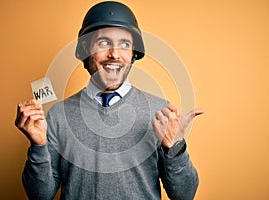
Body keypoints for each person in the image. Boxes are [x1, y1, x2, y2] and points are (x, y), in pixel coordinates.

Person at [15, 1, 203, 200]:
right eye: (104, 43)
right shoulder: (59, 115)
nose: (114, 54)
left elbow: (184, 195)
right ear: (86, 50)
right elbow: (39, 195)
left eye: (124, 44)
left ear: (133, 54)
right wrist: (38, 146)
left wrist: (175, 148)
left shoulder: (160, 112)